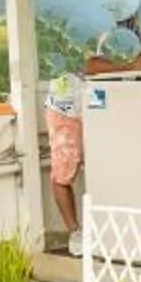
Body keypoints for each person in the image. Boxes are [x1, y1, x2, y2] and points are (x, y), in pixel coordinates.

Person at [45, 73, 84, 242]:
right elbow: (92, 65)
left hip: (91, 101)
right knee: (62, 174)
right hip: (65, 109)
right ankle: (76, 235)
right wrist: (131, 66)